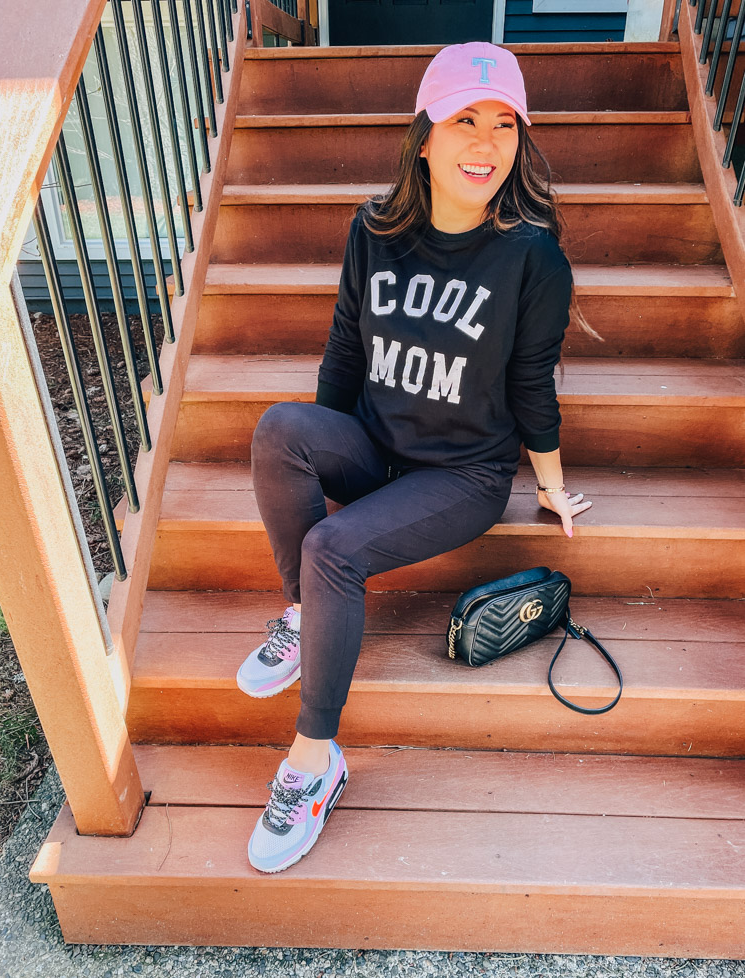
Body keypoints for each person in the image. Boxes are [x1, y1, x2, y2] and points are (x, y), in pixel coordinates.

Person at [237, 41, 598, 874]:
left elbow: (532, 386)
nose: (485, 141)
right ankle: (305, 616)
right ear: (425, 135)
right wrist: (324, 453)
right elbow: (343, 348)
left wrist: (548, 487)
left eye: (504, 123)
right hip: (379, 447)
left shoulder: (531, 256)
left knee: (333, 548)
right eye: (465, 119)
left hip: (462, 477)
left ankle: (313, 760)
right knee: (277, 430)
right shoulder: (375, 228)